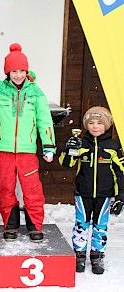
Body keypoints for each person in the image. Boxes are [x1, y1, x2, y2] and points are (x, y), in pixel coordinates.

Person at [0, 43, 56, 241]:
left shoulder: (35, 92)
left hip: (27, 150)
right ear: (7, 72)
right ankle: (10, 224)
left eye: (21, 71)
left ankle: (35, 225)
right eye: (14, 71)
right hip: (3, 149)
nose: (18, 75)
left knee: (32, 188)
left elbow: (44, 120)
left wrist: (49, 145)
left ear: (27, 70)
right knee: (5, 188)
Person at [59, 106, 124, 274]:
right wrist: (69, 149)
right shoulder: (81, 144)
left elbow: (121, 173)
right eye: (91, 123)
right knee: (81, 225)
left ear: (107, 125)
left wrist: (121, 196)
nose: (95, 126)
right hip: (83, 193)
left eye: (100, 123)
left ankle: (97, 255)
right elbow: (66, 164)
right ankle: (79, 255)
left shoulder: (113, 147)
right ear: (86, 125)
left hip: (105, 195)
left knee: (100, 226)